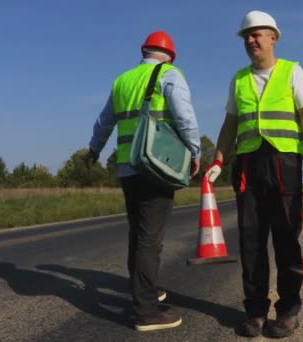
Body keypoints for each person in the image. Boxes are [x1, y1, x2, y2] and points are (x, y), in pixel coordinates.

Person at [203, 10, 303, 338]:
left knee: (287, 239)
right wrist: (219, 160)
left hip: (284, 165)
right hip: (247, 168)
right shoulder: (239, 79)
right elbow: (230, 125)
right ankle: (256, 311)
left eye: (257, 34)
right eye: (247, 36)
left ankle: (288, 310)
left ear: (273, 37)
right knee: (251, 242)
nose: (251, 40)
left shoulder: (292, 72)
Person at [83, 31, 201, 332]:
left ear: (144, 51)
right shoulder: (171, 74)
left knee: (138, 234)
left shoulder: (122, 80)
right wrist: (195, 151)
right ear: (169, 55)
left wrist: (94, 150)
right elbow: (185, 117)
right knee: (151, 239)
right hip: (157, 166)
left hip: (127, 168)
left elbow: (103, 122)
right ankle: (146, 310)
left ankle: (145, 292)